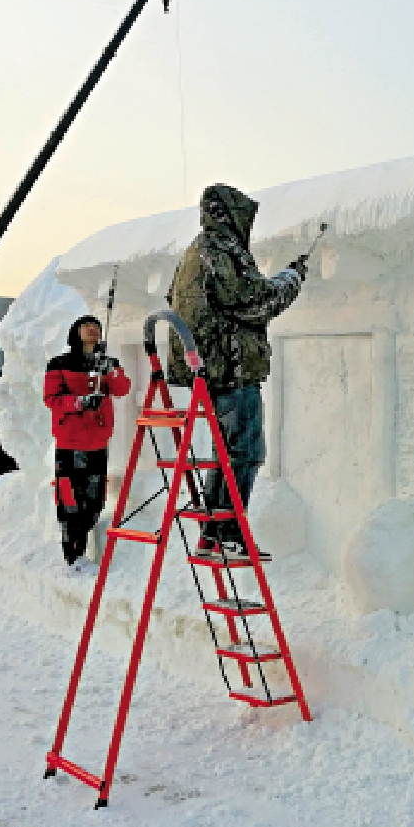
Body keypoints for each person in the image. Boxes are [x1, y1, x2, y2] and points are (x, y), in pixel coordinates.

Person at [167, 183, 307, 559]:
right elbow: (254, 300)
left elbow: (181, 298)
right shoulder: (220, 251)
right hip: (231, 369)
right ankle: (229, 530)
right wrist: (291, 279)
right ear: (230, 215)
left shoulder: (194, 252)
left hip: (210, 371)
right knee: (245, 451)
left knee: (226, 453)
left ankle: (215, 532)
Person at [44, 315, 132, 568]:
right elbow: (52, 399)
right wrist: (80, 402)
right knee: (69, 499)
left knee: (94, 499)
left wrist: (111, 371)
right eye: (86, 325)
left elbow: (122, 388)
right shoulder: (59, 363)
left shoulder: (107, 363)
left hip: (97, 441)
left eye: (96, 326)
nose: (93, 329)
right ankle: (72, 556)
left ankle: (86, 549)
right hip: (69, 442)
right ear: (75, 331)